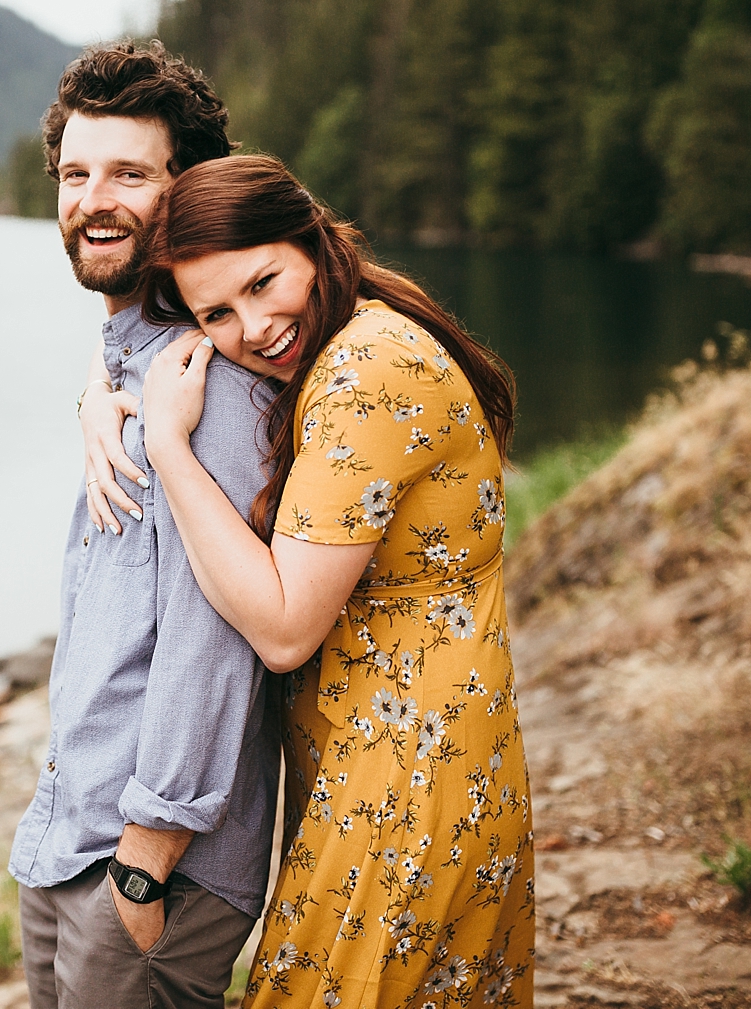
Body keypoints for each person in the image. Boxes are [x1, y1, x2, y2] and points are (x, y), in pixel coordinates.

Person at [116, 154, 536, 1007]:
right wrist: (101, 389)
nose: (255, 326)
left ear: (309, 238)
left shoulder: (363, 373)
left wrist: (166, 445)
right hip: (422, 763)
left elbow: (282, 628)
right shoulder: (361, 333)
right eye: (217, 314)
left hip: (403, 783)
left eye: (264, 281)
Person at [7, 43, 280, 1009]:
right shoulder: (129, 360)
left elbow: (215, 634)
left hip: (149, 857)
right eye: (76, 175)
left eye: (130, 172)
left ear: (188, 188)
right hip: (64, 833)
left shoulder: (215, 378)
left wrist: (147, 856)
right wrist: (91, 389)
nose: (95, 199)